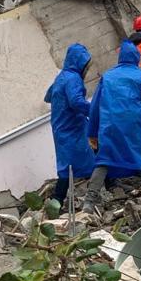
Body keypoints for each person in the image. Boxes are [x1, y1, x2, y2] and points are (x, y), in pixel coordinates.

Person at [82, 41, 141, 214]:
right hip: (132, 123)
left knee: (105, 159)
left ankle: (89, 202)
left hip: (109, 125)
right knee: (140, 152)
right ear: (136, 58)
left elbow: (95, 105)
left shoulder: (107, 76)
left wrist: (92, 132)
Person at [44, 44, 95, 206]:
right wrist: (94, 111)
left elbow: (48, 96)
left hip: (61, 126)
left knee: (67, 164)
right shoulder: (74, 79)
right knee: (94, 153)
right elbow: (76, 101)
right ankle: (107, 186)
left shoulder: (62, 77)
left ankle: (57, 200)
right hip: (72, 126)